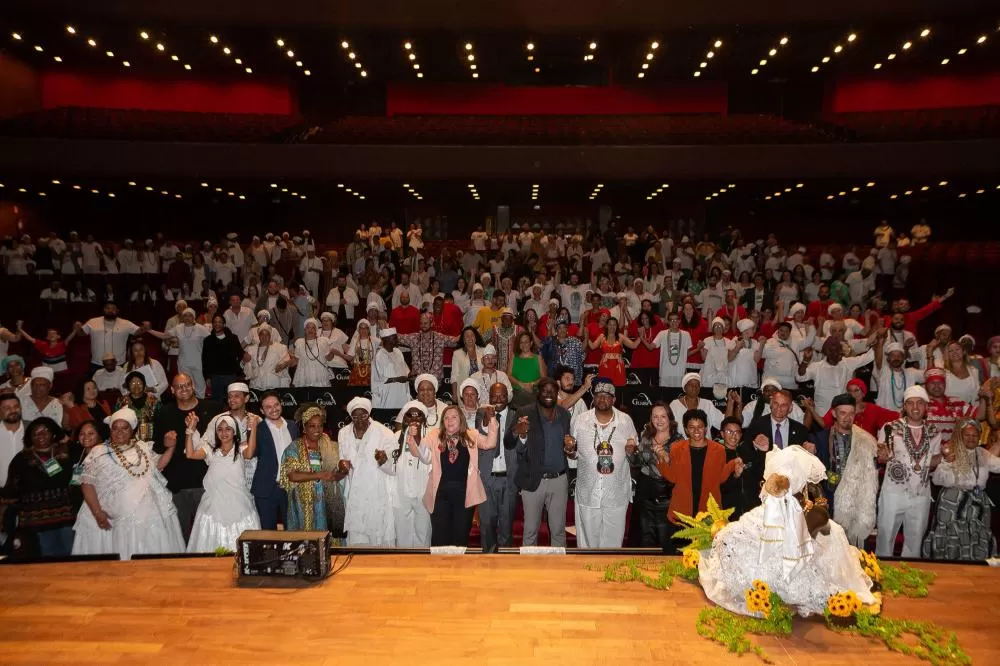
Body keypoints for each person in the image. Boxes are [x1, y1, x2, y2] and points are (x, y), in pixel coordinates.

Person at [698, 445, 875, 618]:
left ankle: (761, 581)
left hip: (769, 566)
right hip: (784, 567)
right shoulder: (798, 511)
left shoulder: (774, 508)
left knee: (733, 538)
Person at [72, 408, 186, 560]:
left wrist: (170, 447)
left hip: (148, 510)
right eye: (115, 428)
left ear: (132, 430)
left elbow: (157, 465)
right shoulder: (99, 451)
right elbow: (87, 483)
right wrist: (97, 512)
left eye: (124, 428)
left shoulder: (142, 447)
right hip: (116, 512)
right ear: (110, 430)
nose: (119, 432)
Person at [566, 378, 638, 548]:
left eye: (607, 396)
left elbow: (634, 455)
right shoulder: (580, 420)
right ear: (594, 397)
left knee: (613, 545)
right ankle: (587, 574)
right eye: (599, 395)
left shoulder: (626, 421)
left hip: (616, 494)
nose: (603, 399)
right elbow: (574, 453)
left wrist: (631, 451)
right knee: (587, 544)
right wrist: (570, 450)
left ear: (614, 399)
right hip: (588, 493)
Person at [152, 373, 224, 543]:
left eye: (187, 385)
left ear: (193, 386)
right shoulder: (164, 413)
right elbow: (157, 449)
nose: (184, 389)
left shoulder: (213, 408)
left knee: (208, 535)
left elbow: (223, 443)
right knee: (179, 536)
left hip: (207, 483)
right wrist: (166, 443)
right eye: (179, 386)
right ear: (172, 390)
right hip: (177, 485)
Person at [875, 385, 942, 558]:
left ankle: (911, 575)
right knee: (885, 534)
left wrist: (944, 458)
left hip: (921, 492)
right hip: (893, 492)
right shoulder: (890, 427)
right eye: (910, 403)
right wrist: (881, 455)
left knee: (915, 539)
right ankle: (882, 574)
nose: (915, 407)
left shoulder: (934, 432)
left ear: (926, 406)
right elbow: (882, 455)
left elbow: (933, 461)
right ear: (904, 407)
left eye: (920, 403)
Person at [0, 417, 81, 557]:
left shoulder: (66, 453)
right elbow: (12, 488)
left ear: (53, 434)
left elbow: (82, 460)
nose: (41, 435)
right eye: (35, 433)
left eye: (45, 431)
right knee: (47, 556)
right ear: (30, 438)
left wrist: (65, 439)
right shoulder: (21, 459)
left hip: (66, 515)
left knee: (70, 553)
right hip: (36, 519)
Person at [506, 378, 572, 547]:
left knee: (558, 531)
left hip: (559, 480)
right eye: (545, 391)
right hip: (533, 479)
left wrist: (571, 447)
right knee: (530, 531)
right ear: (538, 393)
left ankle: (559, 571)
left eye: (552, 391)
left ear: (557, 394)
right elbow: (508, 442)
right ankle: (528, 572)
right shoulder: (524, 412)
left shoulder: (564, 414)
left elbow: (568, 443)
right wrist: (517, 431)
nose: (549, 394)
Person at [421, 403, 498, 547]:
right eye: (446, 418)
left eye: (454, 417)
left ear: (461, 419)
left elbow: (490, 443)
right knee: (440, 538)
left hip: (464, 493)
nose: (450, 420)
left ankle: (460, 568)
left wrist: (492, 419)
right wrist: (414, 439)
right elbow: (420, 450)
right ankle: (440, 568)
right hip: (440, 493)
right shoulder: (434, 435)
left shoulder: (471, 435)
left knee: (460, 537)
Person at [184, 411, 261, 552]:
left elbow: (250, 453)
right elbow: (190, 454)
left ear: (234, 432)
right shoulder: (210, 450)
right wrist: (190, 430)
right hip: (213, 502)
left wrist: (253, 428)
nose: (224, 433)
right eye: (220, 429)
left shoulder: (241, 448)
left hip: (239, 502)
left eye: (228, 429)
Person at [654, 408, 743, 526]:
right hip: (682, 509)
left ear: (706, 428)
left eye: (700, 426)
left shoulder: (719, 449)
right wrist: (661, 459)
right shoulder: (676, 448)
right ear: (686, 430)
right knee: (681, 543)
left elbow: (720, 478)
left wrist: (732, 465)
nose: (696, 430)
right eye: (691, 427)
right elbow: (673, 478)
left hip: (709, 510)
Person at [814, 393, 879, 548]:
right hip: (828, 506)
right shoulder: (820, 439)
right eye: (843, 413)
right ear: (834, 413)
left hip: (855, 506)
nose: (848, 417)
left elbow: (871, 479)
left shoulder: (866, 441)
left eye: (851, 413)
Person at [739, 389, 812, 512]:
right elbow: (744, 452)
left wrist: (810, 452)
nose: (779, 408)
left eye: (784, 405)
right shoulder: (757, 425)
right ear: (771, 405)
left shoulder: (800, 430)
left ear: (790, 408)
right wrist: (755, 447)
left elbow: (805, 460)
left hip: (791, 488)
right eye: (776, 404)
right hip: (762, 485)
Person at [279, 404, 347, 535]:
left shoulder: (330, 446)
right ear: (304, 428)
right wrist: (320, 475)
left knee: (329, 540)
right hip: (303, 503)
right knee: (307, 542)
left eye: (320, 425)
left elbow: (334, 476)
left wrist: (343, 470)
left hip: (328, 502)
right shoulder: (294, 448)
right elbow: (292, 476)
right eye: (312, 426)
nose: (317, 429)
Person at [337, 397, 396, 546]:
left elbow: (394, 468)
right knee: (357, 537)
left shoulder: (385, 433)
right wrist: (342, 466)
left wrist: (383, 460)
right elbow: (343, 460)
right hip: (355, 495)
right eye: (355, 417)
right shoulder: (343, 433)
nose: (359, 420)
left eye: (363, 416)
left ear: (369, 414)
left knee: (378, 535)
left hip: (377, 493)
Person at [628, 402, 680, 550]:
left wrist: (665, 457)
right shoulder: (646, 436)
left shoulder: (679, 441)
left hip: (667, 496)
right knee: (645, 542)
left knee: (667, 542)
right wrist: (630, 451)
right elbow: (637, 463)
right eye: (655, 416)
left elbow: (678, 471)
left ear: (670, 418)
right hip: (644, 494)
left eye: (663, 416)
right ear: (651, 419)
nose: (659, 420)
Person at [476, 382, 518, 552]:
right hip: (487, 479)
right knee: (486, 525)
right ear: (489, 397)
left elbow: (522, 445)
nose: (498, 398)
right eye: (495, 395)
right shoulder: (481, 414)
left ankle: (505, 565)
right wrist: (488, 417)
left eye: (502, 395)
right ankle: (487, 562)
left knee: (507, 526)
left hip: (509, 479)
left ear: (508, 396)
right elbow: (481, 429)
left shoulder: (516, 415)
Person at [385, 401, 433, 547]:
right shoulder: (396, 437)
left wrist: (418, 438)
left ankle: (422, 564)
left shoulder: (431, 435)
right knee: (402, 532)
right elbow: (391, 467)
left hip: (423, 491)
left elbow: (429, 459)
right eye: (410, 416)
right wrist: (382, 462)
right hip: (401, 492)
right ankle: (404, 562)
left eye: (418, 416)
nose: (414, 419)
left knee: (423, 532)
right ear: (404, 419)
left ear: (424, 419)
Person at [252, 392, 298, 530]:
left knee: (293, 530)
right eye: (268, 407)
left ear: (281, 404)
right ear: (262, 410)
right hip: (266, 489)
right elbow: (251, 453)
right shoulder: (258, 430)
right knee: (267, 533)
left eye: (276, 404)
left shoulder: (292, 426)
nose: (274, 409)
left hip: (291, 488)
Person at [796, 336, 876, 414]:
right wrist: (805, 361)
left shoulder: (847, 363)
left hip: (843, 414)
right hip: (822, 415)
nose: (841, 352)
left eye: (840, 349)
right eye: (837, 350)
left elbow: (867, 357)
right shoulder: (817, 367)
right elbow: (800, 377)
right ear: (828, 352)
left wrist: (879, 341)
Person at [145, 308, 211, 398]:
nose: (187, 318)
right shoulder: (178, 328)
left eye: (190, 315)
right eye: (185, 315)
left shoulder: (200, 328)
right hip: (183, 362)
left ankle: (201, 403)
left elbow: (211, 340)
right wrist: (150, 330)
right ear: (182, 318)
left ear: (194, 317)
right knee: (186, 384)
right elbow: (164, 336)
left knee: (200, 385)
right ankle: (188, 402)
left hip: (197, 362)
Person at [78, 303, 141, 372]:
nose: (110, 310)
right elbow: (81, 333)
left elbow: (137, 331)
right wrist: (77, 328)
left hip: (118, 363)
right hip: (97, 363)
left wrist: (144, 328)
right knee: (94, 382)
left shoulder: (126, 323)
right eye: (107, 308)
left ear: (117, 311)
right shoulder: (92, 321)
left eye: (113, 309)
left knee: (120, 383)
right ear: (103, 310)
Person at [668, 373, 725, 438]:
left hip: (706, 445)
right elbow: (669, 428)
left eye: (697, 385)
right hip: (683, 445)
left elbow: (724, 423)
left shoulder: (707, 404)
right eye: (691, 385)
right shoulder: (675, 405)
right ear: (685, 387)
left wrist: (731, 403)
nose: (694, 387)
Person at [201, 315, 245, 400]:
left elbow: (240, 353)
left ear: (224, 324)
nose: (217, 324)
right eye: (215, 322)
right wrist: (207, 377)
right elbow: (205, 360)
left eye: (220, 322)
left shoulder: (233, 338)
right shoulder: (208, 340)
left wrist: (235, 367)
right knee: (216, 404)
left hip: (230, 376)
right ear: (213, 324)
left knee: (232, 400)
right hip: (215, 377)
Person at [872, 341, 925, 410]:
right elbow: (878, 361)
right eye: (893, 355)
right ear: (887, 358)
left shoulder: (911, 372)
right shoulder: (883, 372)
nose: (896, 358)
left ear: (903, 358)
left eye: (899, 355)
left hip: (906, 415)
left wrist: (930, 355)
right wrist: (880, 341)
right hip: (885, 415)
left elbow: (930, 374)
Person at [587, 318, 638, 387]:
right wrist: (586, 336)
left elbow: (634, 345)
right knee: (604, 389)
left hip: (618, 368)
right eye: (610, 324)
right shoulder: (602, 337)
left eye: (614, 325)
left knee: (618, 389)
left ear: (617, 326)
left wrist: (641, 337)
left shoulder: (620, 336)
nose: (612, 326)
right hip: (604, 368)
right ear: (607, 326)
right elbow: (592, 346)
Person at [646, 311, 692, 388]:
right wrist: (642, 338)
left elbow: (687, 354)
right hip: (665, 372)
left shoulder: (686, 334)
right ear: (668, 322)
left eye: (676, 320)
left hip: (679, 372)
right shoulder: (662, 333)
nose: (674, 322)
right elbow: (650, 347)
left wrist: (698, 348)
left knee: (678, 396)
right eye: (671, 320)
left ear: (679, 321)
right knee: (665, 397)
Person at [371, 328, 411, 410]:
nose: (397, 339)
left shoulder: (398, 352)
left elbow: (406, 371)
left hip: (401, 393)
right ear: (386, 339)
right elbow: (378, 379)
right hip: (387, 396)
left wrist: (411, 375)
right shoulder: (379, 355)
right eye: (394, 337)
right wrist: (397, 379)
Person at [114, 372, 160, 443]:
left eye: (139, 383)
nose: (136, 386)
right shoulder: (121, 401)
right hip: (127, 440)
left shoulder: (154, 400)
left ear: (144, 385)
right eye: (132, 383)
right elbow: (115, 421)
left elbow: (161, 420)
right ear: (128, 386)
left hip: (151, 440)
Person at [289, 318, 334, 388]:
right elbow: (296, 360)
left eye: (313, 328)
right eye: (308, 327)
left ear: (316, 330)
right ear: (304, 329)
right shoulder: (299, 342)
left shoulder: (323, 341)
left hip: (319, 375)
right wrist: (285, 363)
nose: (310, 330)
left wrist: (331, 353)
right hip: (304, 376)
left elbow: (329, 358)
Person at [508, 331, 546, 408]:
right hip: (517, 391)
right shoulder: (514, 357)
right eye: (521, 342)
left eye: (526, 342)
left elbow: (544, 377)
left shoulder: (538, 358)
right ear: (519, 345)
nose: (524, 344)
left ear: (531, 343)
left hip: (533, 391)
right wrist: (520, 384)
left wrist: (532, 384)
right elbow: (508, 375)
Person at [450, 327, 484, 401]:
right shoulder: (457, 354)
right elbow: (454, 376)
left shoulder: (483, 351)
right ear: (463, 339)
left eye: (472, 335)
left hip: (481, 391)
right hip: (464, 392)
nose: (470, 338)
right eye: (467, 336)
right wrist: (454, 393)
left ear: (475, 337)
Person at [345, 319, 376, 387]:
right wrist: (339, 353)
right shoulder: (355, 340)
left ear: (368, 329)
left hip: (370, 370)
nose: (363, 330)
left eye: (365, 328)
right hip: (357, 370)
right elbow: (350, 358)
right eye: (361, 328)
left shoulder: (374, 340)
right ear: (358, 330)